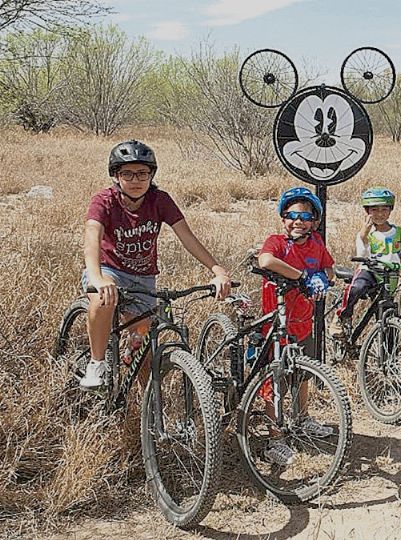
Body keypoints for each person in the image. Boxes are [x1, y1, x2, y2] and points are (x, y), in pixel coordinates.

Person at [80, 140, 232, 389]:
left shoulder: (160, 200)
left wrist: (216, 269)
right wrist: (97, 278)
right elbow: (91, 238)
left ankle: (148, 410)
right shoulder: (104, 201)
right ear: (116, 176)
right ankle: (96, 363)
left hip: (143, 277)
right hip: (109, 270)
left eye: (143, 173)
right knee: (101, 299)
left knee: (143, 349)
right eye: (127, 173)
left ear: (152, 175)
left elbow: (187, 236)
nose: (136, 180)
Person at [257, 186, 336, 466]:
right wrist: (303, 276)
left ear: (315, 221)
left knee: (303, 375)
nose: (298, 221)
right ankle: (274, 438)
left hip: (304, 321)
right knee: (275, 380)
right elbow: (266, 261)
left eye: (305, 216)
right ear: (283, 219)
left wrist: (323, 278)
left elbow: (328, 267)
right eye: (291, 215)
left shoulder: (316, 244)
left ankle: (301, 419)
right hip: (277, 323)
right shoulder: (277, 242)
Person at [333, 187, 401, 333]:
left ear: (390, 210)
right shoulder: (366, 233)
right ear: (367, 212)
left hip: (389, 276)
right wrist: (364, 236)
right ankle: (341, 317)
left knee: (387, 315)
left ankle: (389, 352)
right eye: (374, 210)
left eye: (384, 209)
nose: (380, 214)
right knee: (356, 288)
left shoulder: (399, 233)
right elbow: (362, 255)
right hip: (369, 271)